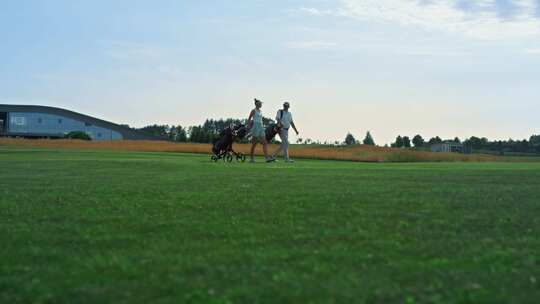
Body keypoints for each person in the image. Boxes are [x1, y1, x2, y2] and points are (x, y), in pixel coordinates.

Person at [247, 99, 275, 163]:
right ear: (257, 104)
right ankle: (251, 159)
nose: (261, 104)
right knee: (254, 144)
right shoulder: (253, 111)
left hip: (261, 127)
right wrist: (248, 127)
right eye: (260, 103)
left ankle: (266, 158)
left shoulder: (260, 111)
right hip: (255, 127)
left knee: (265, 142)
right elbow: (249, 119)